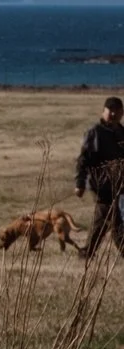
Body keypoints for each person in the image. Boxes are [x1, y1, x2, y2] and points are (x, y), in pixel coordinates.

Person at [77, 96, 124, 258]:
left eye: (117, 111)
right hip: (102, 184)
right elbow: (83, 159)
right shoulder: (95, 132)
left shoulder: (121, 132)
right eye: (110, 110)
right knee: (114, 218)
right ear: (103, 111)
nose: (113, 114)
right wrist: (80, 183)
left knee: (103, 218)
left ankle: (87, 252)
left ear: (122, 113)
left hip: (120, 184)